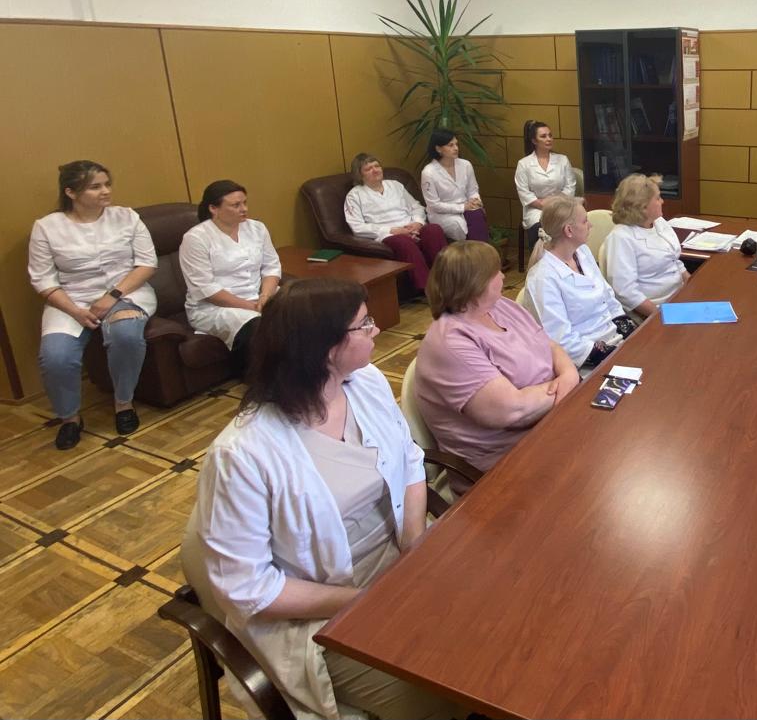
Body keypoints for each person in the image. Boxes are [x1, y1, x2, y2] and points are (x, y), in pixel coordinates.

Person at [181, 279, 460, 720]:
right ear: (326, 349)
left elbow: (408, 459)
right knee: (446, 686)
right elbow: (248, 590)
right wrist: (362, 599)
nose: (375, 330)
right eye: (364, 324)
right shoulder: (243, 455)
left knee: (488, 624)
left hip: (400, 564)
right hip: (319, 611)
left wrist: (412, 543)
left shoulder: (364, 382)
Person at [415, 241, 578, 494]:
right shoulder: (450, 342)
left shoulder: (501, 306)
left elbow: (549, 345)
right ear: (475, 284)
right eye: (495, 272)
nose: (503, 276)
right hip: (502, 467)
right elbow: (511, 410)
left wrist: (568, 374)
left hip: (550, 428)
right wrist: (565, 386)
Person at [28, 160, 157, 448]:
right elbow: (43, 279)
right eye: (95, 187)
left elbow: (147, 263)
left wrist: (112, 296)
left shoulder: (126, 217)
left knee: (126, 335)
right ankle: (69, 418)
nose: (105, 191)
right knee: (55, 357)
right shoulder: (46, 227)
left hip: (126, 292)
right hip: (70, 300)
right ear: (71, 192)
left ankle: (123, 403)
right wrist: (74, 311)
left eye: (107, 184)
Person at [179, 180, 281, 375]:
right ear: (213, 208)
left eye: (245, 203)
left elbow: (271, 266)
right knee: (260, 326)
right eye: (236, 205)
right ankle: (267, 380)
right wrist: (252, 306)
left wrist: (266, 297)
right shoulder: (196, 239)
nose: (244, 209)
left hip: (260, 296)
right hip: (216, 307)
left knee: (305, 308)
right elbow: (206, 288)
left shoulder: (257, 228)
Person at [524, 195, 635, 369]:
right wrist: (610, 353)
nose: (590, 225)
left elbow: (607, 296)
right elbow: (562, 341)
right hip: (586, 362)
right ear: (569, 230)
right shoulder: (542, 278)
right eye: (585, 221)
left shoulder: (582, 252)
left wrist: (629, 332)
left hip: (615, 340)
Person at [344, 152, 448, 292]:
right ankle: (428, 289)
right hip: (389, 234)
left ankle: (447, 280)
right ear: (359, 174)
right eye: (368, 169)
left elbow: (416, 206)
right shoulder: (354, 195)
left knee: (434, 229)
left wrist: (418, 222)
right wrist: (393, 230)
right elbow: (357, 226)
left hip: (412, 227)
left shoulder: (395, 185)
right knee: (404, 242)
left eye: (377, 166)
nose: (375, 170)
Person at [600, 173, 690, 318]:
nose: (662, 201)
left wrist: (693, 288)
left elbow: (674, 260)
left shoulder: (658, 222)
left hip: (678, 298)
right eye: (658, 198)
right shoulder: (621, 238)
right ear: (642, 206)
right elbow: (626, 292)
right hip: (654, 310)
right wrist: (660, 316)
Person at [514, 120, 577, 251]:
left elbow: (570, 186)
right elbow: (524, 192)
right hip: (536, 209)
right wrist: (543, 205)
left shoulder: (562, 160)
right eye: (543, 136)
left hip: (561, 206)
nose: (549, 139)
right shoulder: (524, 164)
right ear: (534, 141)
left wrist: (555, 203)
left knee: (568, 226)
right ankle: (539, 259)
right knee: (539, 227)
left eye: (550, 135)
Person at [420, 128, 490, 243]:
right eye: (450, 145)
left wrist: (475, 201)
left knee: (477, 214)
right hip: (442, 214)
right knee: (457, 224)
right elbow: (434, 205)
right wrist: (462, 207)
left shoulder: (466, 165)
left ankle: (481, 251)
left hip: (466, 206)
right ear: (438, 149)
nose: (456, 148)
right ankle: (466, 252)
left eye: (456, 144)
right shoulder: (428, 172)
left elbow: (473, 190)